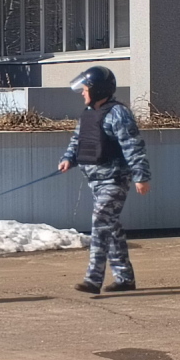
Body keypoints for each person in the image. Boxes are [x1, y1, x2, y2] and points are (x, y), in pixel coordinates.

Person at [58, 66, 151, 294]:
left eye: (86, 88)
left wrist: (141, 176)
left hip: (115, 179)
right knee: (112, 228)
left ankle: (93, 279)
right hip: (95, 181)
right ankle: (125, 278)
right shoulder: (89, 113)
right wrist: (68, 158)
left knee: (100, 221)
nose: (82, 93)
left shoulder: (118, 114)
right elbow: (78, 140)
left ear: (98, 90)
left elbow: (133, 146)